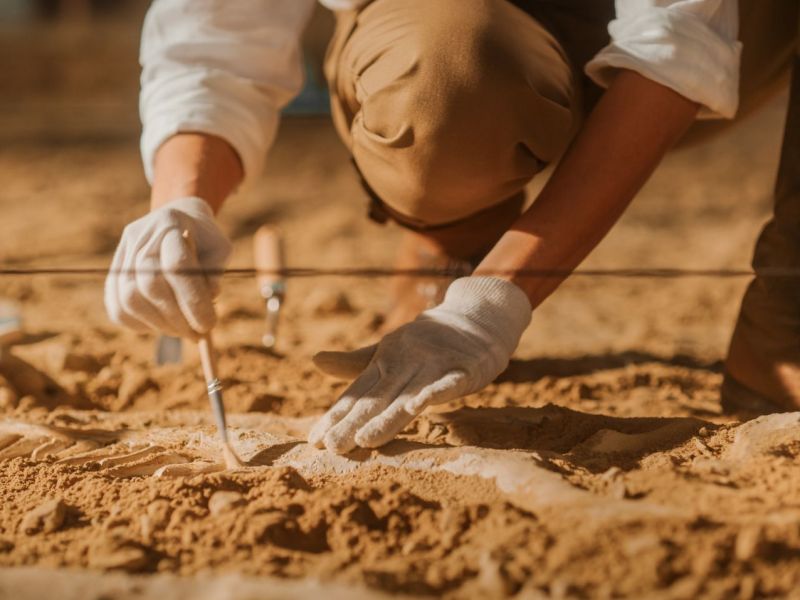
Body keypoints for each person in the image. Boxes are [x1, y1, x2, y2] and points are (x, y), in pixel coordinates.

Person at [105, 0, 799, 455]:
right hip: (458, 35)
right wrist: (181, 199)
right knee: (446, 82)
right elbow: (219, 35)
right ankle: (459, 227)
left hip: (726, 32)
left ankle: (787, 317)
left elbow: (675, 49)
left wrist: (493, 301)